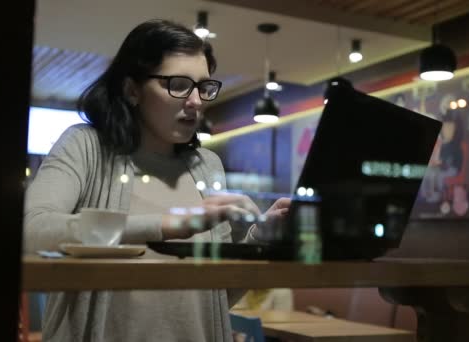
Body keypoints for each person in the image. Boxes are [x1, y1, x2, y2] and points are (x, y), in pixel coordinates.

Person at [24, 19, 290, 342]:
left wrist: (259, 238)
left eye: (203, 87)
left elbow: (215, 298)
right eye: (178, 84)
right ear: (131, 89)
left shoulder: (207, 166)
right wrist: (166, 224)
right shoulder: (85, 146)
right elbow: (29, 230)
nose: (195, 102)